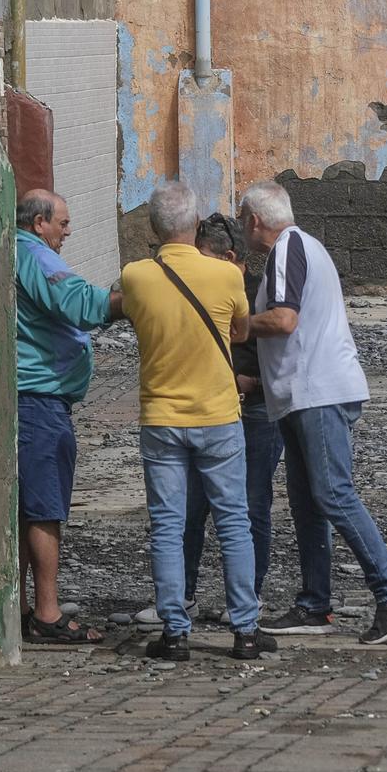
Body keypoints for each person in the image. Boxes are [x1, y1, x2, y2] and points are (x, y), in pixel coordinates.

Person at [240, 181, 387, 645]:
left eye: (243, 221)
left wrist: (235, 326)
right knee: (306, 501)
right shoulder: (304, 247)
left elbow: (284, 319)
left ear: (254, 220)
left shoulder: (286, 249)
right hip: (302, 395)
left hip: (315, 392)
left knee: (333, 493)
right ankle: (314, 603)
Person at [120, 182, 269, 662]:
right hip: (219, 415)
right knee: (233, 522)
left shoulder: (136, 276)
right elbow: (241, 330)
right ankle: (245, 629)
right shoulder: (226, 277)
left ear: (153, 228)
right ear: (196, 222)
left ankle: (174, 632)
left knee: (167, 524)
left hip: (161, 417)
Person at [14, 190, 121, 645]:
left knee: (29, 506)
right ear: (39, 223)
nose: (68, 231)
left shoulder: (18, 252)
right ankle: (47, 611)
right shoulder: (35, 256)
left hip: (35, 397)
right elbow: (78, 301)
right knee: (44, 506)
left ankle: (23, 606)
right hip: (39, 401)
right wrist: (131, 297)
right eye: (62, 222)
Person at [181, 213, 285, 609]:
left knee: (251, 503)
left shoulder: (260, 297)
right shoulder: (195, 292)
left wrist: (249, 384)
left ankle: (247, 597)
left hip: (254, 411)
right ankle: (184, 594)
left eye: (203, 257)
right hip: (206, 410)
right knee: (192, 506)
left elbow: (281, 361)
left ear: (228, 258)